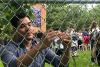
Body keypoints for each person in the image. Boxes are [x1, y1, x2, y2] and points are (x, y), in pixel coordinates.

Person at [0, 12, 71, 67]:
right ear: (14, 31)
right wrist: (39, 46)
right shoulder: (7, 49)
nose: (28, 28)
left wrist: (67, 49)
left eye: (29, 24)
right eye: (22, 26)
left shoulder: (39, 45)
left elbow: (61, 64)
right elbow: (14, 65)